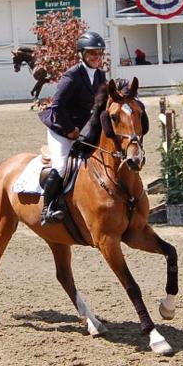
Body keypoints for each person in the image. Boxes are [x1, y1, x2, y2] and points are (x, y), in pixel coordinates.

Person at [36, 31, 107, 224]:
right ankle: (47, 209)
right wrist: (69, 130)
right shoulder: (72, 75)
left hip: (82, 127)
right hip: (61, 126)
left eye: (99, 53)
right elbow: (57, 105)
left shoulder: (100, 75)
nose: (97, 57)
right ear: (82, 54)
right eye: (92, 53)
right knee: (61, 165)